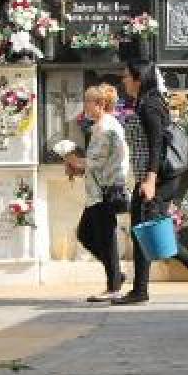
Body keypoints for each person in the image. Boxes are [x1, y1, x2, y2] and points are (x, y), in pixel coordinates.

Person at [112, 60, 188, 305]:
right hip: (150, 176)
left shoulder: (150, 105)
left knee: (150, 230)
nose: (123, 81)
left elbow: (158, 143)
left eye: (126, 76)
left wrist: (150, 180)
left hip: (157, 177)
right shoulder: (145, 101)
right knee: (144, 230)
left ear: (139, 78)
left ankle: (143, 289)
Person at [65, 84, 130, 302]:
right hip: (97, 191)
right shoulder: (101, 126)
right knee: (86, 234)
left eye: (88, 102)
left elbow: (96, 161)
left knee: (105, 237)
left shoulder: (105, 128)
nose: (85, 106)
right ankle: (115, 275)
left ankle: (114, 285)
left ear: (100, 104)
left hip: (104, 191)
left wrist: (75, 161)